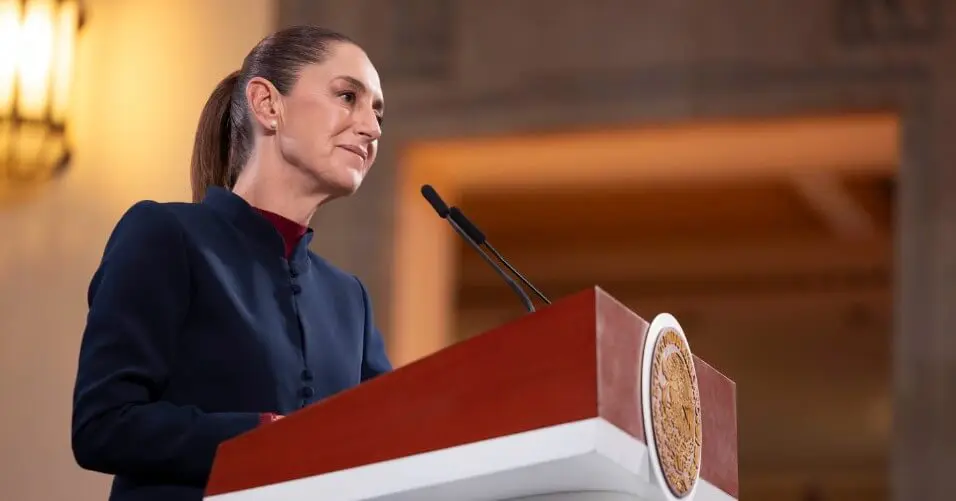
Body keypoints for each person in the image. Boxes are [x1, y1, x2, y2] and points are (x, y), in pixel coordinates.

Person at [70, 25, 392, 501]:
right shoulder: (164, 235)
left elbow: (396, 439)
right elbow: (102, 424)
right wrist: (263, 436)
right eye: (348, 96)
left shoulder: (350, 299)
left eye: (378, 113)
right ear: (267, 104)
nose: (372, 127)